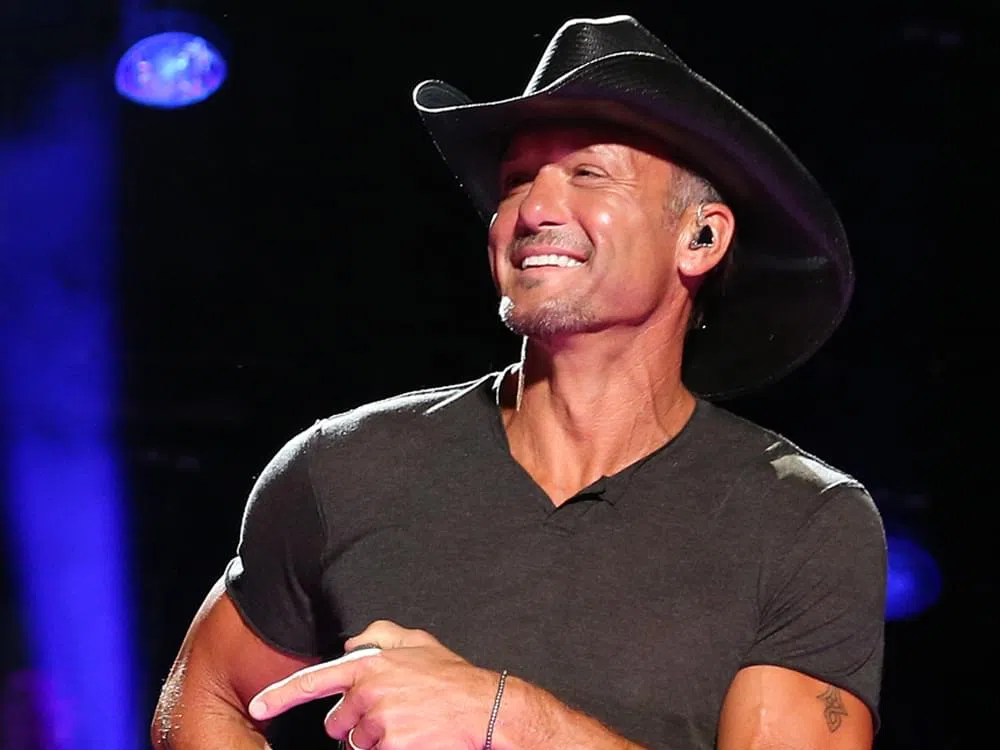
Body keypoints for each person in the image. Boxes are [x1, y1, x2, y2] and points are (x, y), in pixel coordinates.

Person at [152, 14, 886, 750]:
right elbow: (205, 695)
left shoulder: (801, 519)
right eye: (516, 180)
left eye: (588, 173)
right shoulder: (345, 467)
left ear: (701, 237)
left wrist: (507, 718)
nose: (532, 209)